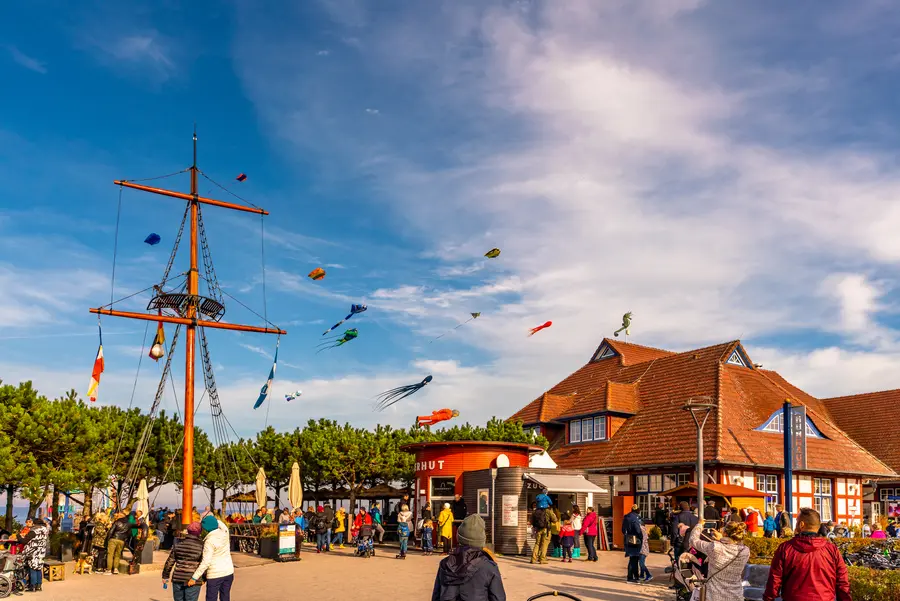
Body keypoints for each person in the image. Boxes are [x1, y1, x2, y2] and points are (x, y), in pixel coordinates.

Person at [763, 508, 850, 601]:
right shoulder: (831, 549)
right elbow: (842, 582)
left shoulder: (786, 548)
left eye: (796, 522)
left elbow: (775, 579)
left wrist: (769, 598)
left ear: (801, 525)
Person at [431, 515, 506, 601]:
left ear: (458, 537)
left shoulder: (445, 563)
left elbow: (436, 596)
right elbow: (498, 598)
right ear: (481, 540)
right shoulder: (489, 567)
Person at [680, 519, 750, 600]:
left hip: (714, 596)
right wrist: (722, 540)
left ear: (725, 533)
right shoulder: (745, 551)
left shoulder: (715, 547)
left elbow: (693, 540)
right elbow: (735, 545)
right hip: (735, 595)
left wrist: (699, 525)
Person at [188, 515, 234, 601]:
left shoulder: (209, 541)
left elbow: (206, 562)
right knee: (225, 597)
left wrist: (194, 577)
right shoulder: (225, 532)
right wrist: (212, 519)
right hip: (228, 571)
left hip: (215, 574)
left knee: (211, 598)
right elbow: (220, 523)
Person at [162, 521, 205, 601]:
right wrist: (204, 578)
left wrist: (165, 575)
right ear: (199, 532)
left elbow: (170, 561)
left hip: (178, 578)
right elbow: (204, 563)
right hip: (193, 579)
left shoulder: (178, 544)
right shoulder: (201, 546)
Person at [19, 518, 49, 592]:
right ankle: (39, 586)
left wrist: (18, 536)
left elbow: (24, 541)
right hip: (41, 552)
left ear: (34, 524)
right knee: (38, 568)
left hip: (33, 552)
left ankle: (32, 586)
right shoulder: (45, 530)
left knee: (32, 568)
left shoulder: (34, 531)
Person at [622, 504, 643, 584]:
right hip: (635, 539)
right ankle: (632, 577)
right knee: (634, 558)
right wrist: (641, 537)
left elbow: (623, 530)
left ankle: (633, 576)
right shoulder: (635, 518)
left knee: (632, 558)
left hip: (627, 538)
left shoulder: (626, 517)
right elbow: (638, 530)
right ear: (637, 510)